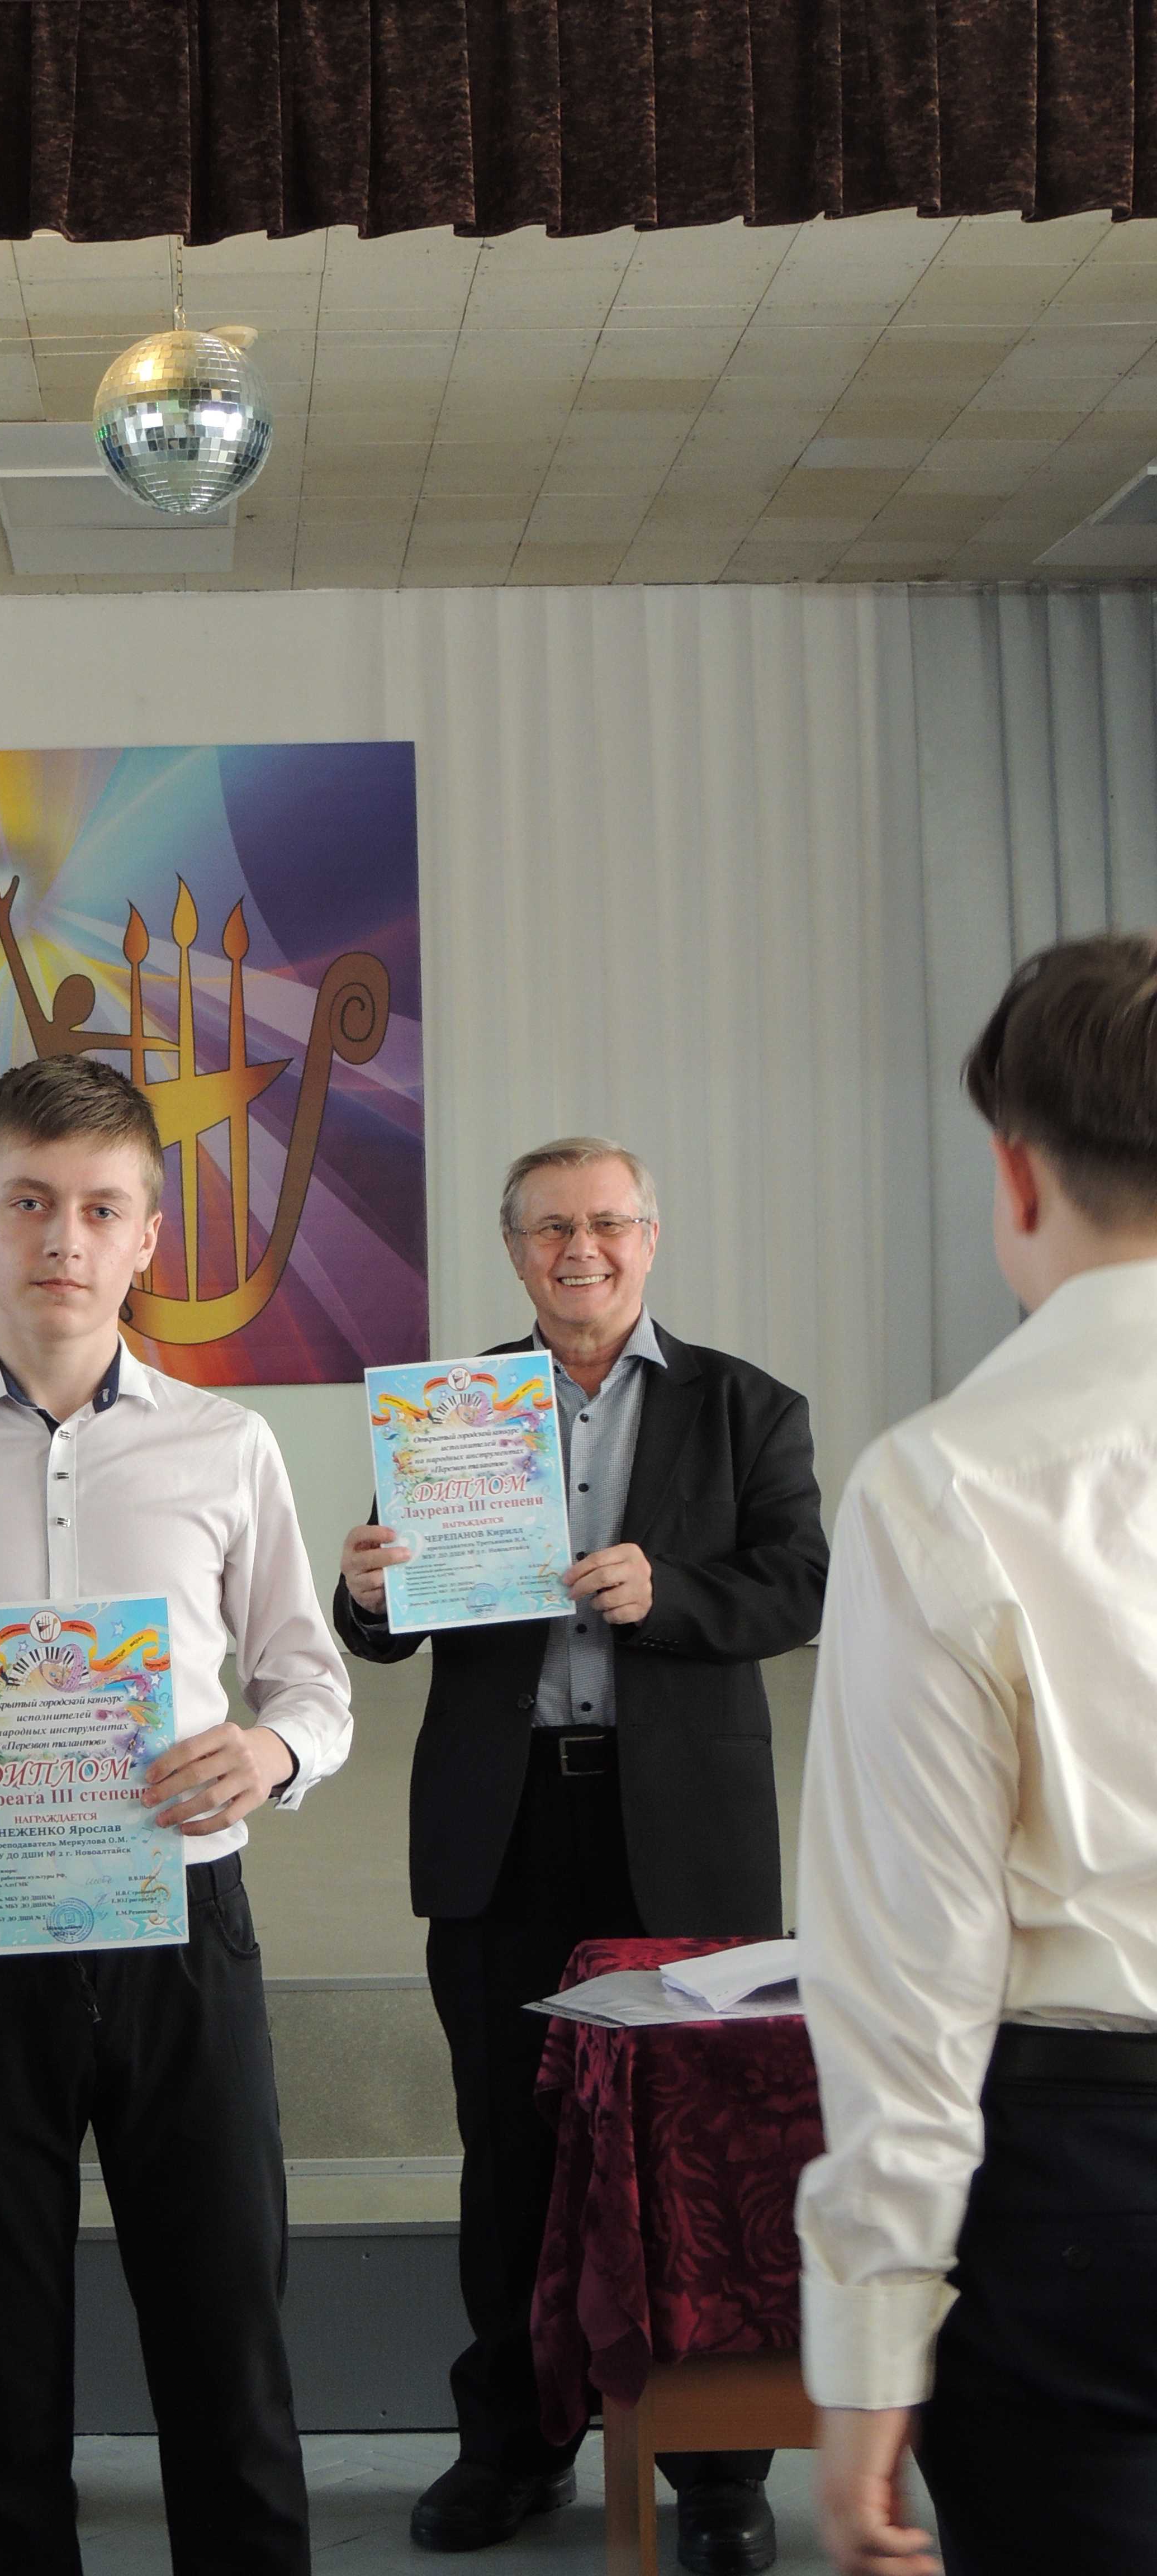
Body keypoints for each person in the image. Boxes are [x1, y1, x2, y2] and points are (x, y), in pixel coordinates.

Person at [0, 1053, 353, 2576]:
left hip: (183, 1940)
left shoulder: (227, 1447)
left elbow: (313, 1684)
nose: (63, 1239)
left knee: (228, 2356)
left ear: (149, 1233)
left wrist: (268, 1753)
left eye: (100, 1208)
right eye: (27, 1202)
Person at [336, 1138, 827, 2571]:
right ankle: (514, 2444)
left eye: (608, 1223)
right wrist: (364, 1593)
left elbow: (799, 1584)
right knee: (510, 2147)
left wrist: (668, 1593)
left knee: (705, 2149)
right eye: (551, 1227)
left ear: (649, 1238)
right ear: (513, 1250)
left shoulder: (747, 1406)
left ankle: (719, 2469)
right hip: (504, 1828)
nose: (581, 1249)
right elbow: (386, 1626)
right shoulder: (445, 1411)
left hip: (681, 1832)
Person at [797, 934, 1157, 2576]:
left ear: (1014, 1173)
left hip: (1088, 2184)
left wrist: (869, 2352)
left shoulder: (943, 1482)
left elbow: (910, 1972)